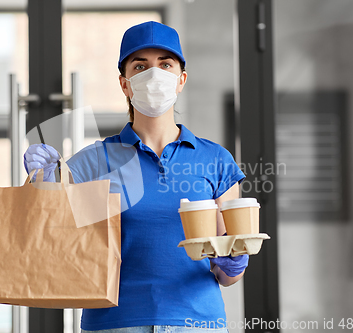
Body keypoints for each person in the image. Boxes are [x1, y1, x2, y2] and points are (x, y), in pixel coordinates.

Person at [24, 21, 248, 333]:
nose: (154, 75)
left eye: (165, 64)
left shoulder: (215, 160)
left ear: (181, 79)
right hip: (114, 324)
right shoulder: (94, 161)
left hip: (197, 323)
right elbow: (47, 235)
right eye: (140, 66)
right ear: (125, 83)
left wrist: (234, 262)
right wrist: (43, 183)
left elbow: (227, 276)